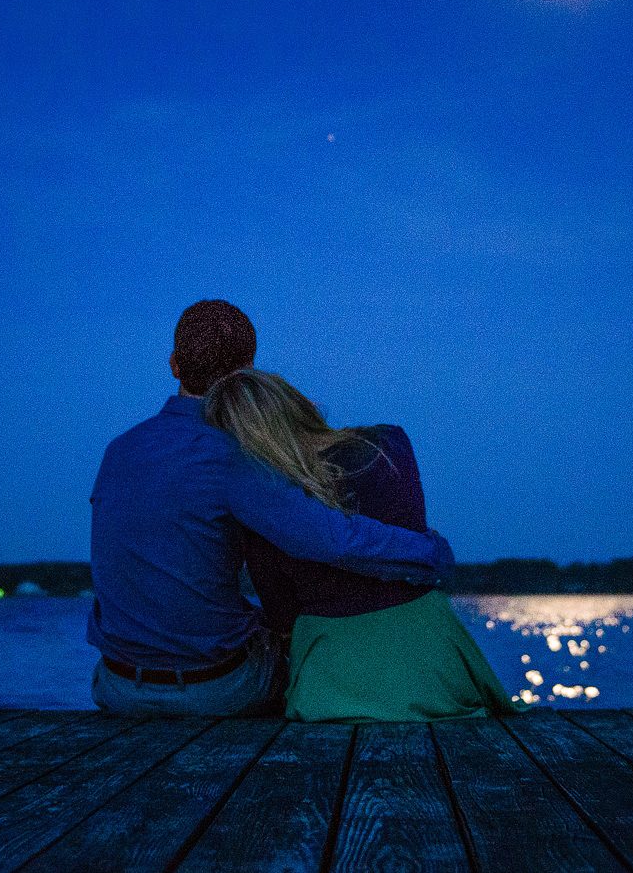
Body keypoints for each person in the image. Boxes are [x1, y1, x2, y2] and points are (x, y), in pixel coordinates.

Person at [87, 300, 456, 716]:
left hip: (116, 687)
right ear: (248, 371)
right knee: (301, 651)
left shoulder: (116, 452)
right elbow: (333, 540)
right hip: (214, 690)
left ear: (174, 364)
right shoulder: (229, 455)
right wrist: (428, 552)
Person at [207, 368, 520, 721]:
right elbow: (405, 533)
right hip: (430, 652)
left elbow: (284, 617)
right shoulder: (389, 445)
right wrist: (429, 555)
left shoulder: (264, 508)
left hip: (332, 670)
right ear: (294, 404)